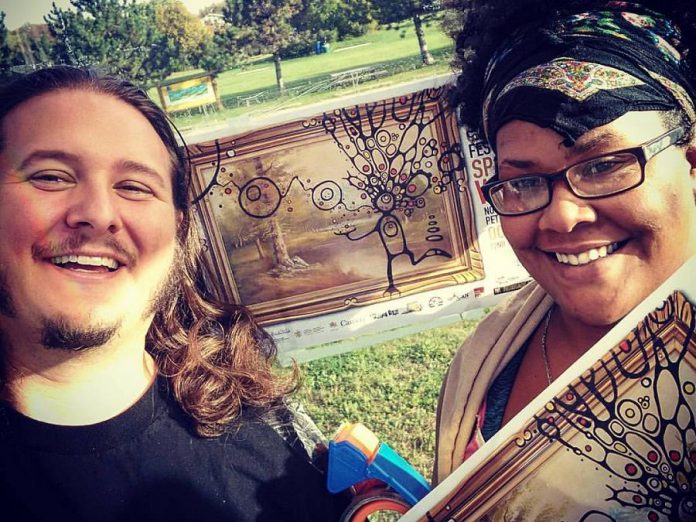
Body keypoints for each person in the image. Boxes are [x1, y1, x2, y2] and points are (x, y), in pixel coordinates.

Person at [0, 66, 348, 521]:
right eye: (51, 176)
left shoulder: (274, 438)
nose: (98, 213)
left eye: (134, 187)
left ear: (179, 232)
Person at [435, 0, 696, 484]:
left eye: (603, 166)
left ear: (692, 163)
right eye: (524, 182)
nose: (562, 216)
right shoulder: (485, 362)